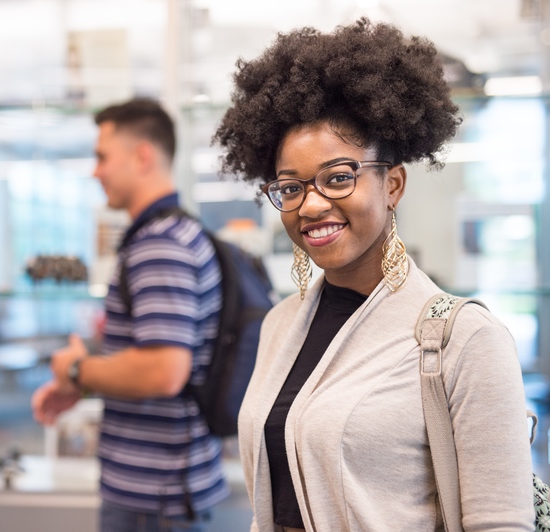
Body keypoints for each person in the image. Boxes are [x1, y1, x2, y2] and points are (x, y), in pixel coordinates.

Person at [212, 19, 534, 532]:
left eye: (338, 178)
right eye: (290, 187)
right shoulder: (278, 326)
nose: (311, 204)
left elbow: (501, 523)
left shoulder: (465, 340)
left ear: (393, 185)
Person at [32, 98, 229, 532]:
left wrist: (78, 370)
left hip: (153, 498)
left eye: (102, 157)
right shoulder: (174, 233)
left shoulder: (160, 243)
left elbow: (163, 370)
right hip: (161, 491)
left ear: (142, 156)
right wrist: (83, 384)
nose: (95, 170)